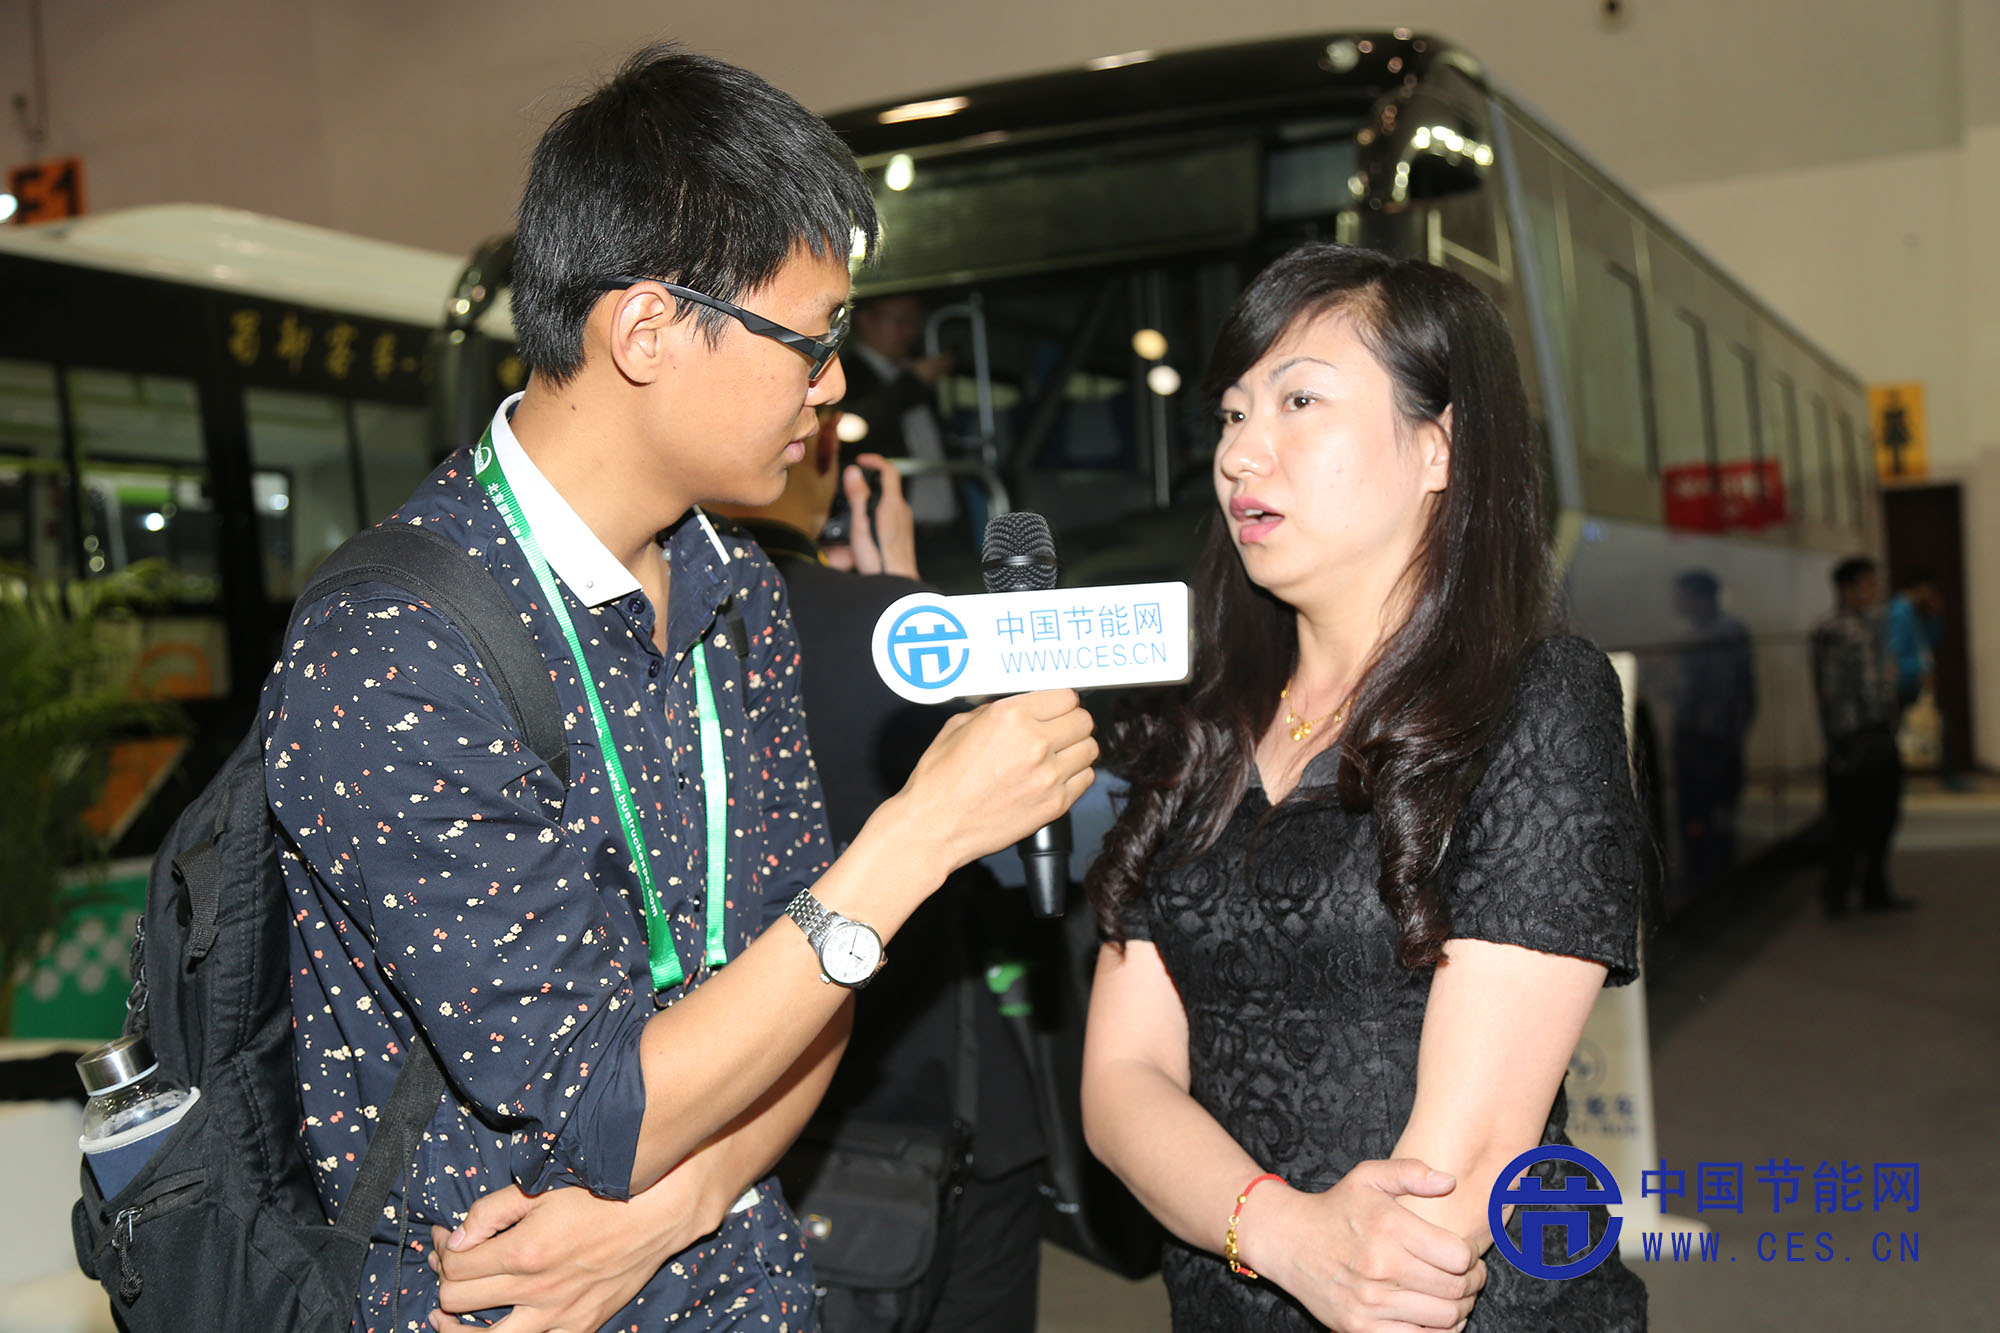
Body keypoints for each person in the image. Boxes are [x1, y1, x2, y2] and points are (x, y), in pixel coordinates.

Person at [260, 46, 1096, 1333]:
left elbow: (818, 972)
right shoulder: (396, 646)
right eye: (809, 341)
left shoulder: (732, 584)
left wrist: (684, 1203)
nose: (832, 386)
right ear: (644, 330)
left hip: (752, 1282)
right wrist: (922, 832)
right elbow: (601, 1108)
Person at [1078, 243, 1647, 1332]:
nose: (1240, 453)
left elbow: (1460, 1166)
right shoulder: (1197, 728)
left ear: (1438, 448)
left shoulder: (1534, 701)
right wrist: (1277, 1231)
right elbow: (1122, 1076)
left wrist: (1340, 1262)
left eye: (1299, 402)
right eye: (1232, 414)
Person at [720, 426, 1048, 1330]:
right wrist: (900, 593)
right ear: (822, 455)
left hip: (726, 1100)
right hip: (934, 1096)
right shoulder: (895, 630)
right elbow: (1002, 837)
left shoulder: (654, 626)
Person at [1810, 557, 1914, 916]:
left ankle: (1872, 887)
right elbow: (1833, 693)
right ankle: (1840, 892)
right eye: (1868, 583)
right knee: (1852, 819)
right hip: (1856, 737)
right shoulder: (1835, 631)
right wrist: (1841, 741)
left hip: (1874, 733)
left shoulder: (1867, 625)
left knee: (1879, 816)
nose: (1874, 590)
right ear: (1847, 588)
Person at [838, 294, 958, 524]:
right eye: (901, 321)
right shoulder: (845, 374)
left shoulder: (917, 371)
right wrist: (912, 382)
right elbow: (858, 426)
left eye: (915, 322)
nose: (910, 332)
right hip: (885, 518)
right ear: (865, 320)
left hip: (943, 517)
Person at [1670, 569, 1756, 888]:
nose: (1676, 603)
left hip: (1709, 741)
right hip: (1710, 738)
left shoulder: (1718, 634)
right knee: (1708, 814)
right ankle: (1710, 872)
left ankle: (1711, 876)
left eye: (1681, 596)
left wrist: (1718, 738)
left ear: (1700, 598)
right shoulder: (1707, 631)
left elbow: (1726, 693)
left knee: (1708, 812)